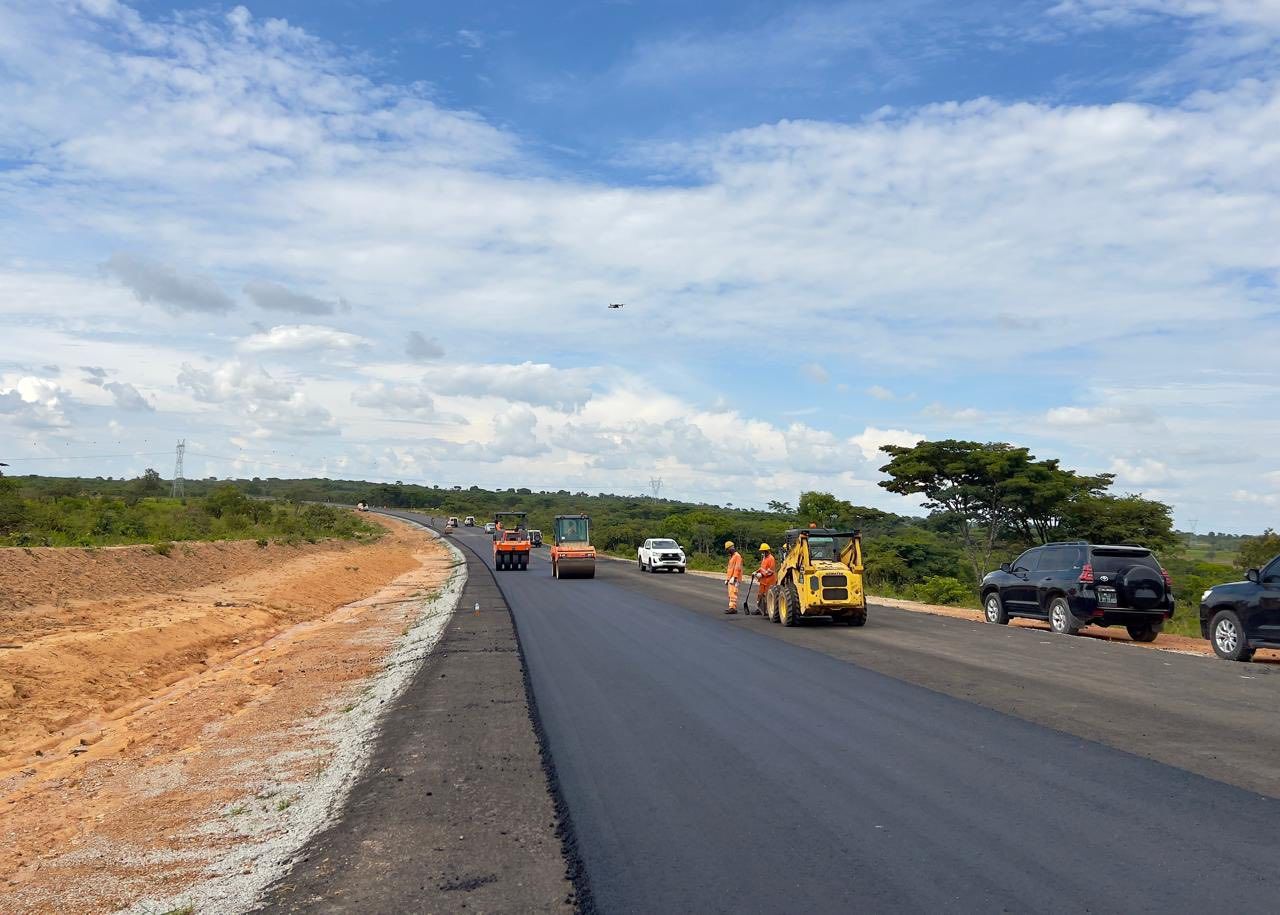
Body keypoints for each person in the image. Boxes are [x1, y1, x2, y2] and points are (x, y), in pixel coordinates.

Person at [751, 543, 776, 615]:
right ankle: (759, 609)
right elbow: (762, 567)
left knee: (767, 595)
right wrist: (756, 571)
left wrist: (761, 574)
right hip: (763, 581)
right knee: (760, 595)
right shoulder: (764, 558)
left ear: (767, 551)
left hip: (769, 581)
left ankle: (768, 610)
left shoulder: (771, 559)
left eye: (764, 551)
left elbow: (770, 571)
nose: (763, 553)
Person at [723, 541, 742, 614]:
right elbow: (730, 569)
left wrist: (734, 577)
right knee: (730, 593)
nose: (727, 551)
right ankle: (731, 607)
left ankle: (733, 608)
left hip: (735, 579)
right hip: (731, 578)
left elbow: (737, 568)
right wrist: (727, 579)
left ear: (731, 548)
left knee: (733, 593)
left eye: (728, 550)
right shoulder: (732, 556)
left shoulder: (737, 556)